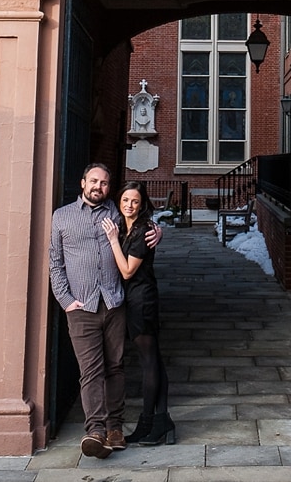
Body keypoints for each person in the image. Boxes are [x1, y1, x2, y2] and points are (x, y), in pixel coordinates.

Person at [48, 163, 129, 458]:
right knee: (91, 370)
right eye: (94, 181)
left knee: (115, 366)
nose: (99, 187)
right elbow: (55, 263)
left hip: (114, 303)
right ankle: (95, 430)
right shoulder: (62, 217)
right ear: (83, 183)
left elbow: (139, 236)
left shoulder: (117, 215)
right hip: (81, 307)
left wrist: (155, 233)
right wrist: (66, 300)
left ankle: (115, 427)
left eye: (105, 183)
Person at [101, 181, 174, 446]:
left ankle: (147, 423)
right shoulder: (125, 225)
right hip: (132, 300)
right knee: (154, 360)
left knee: (148, 362)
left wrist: (111, 241)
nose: (129, 205)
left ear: (142, 205)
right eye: (125, 200)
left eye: (135, 201)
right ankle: (162, 421)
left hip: (141, 301)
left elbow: (128, 271)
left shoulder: (143, 230)